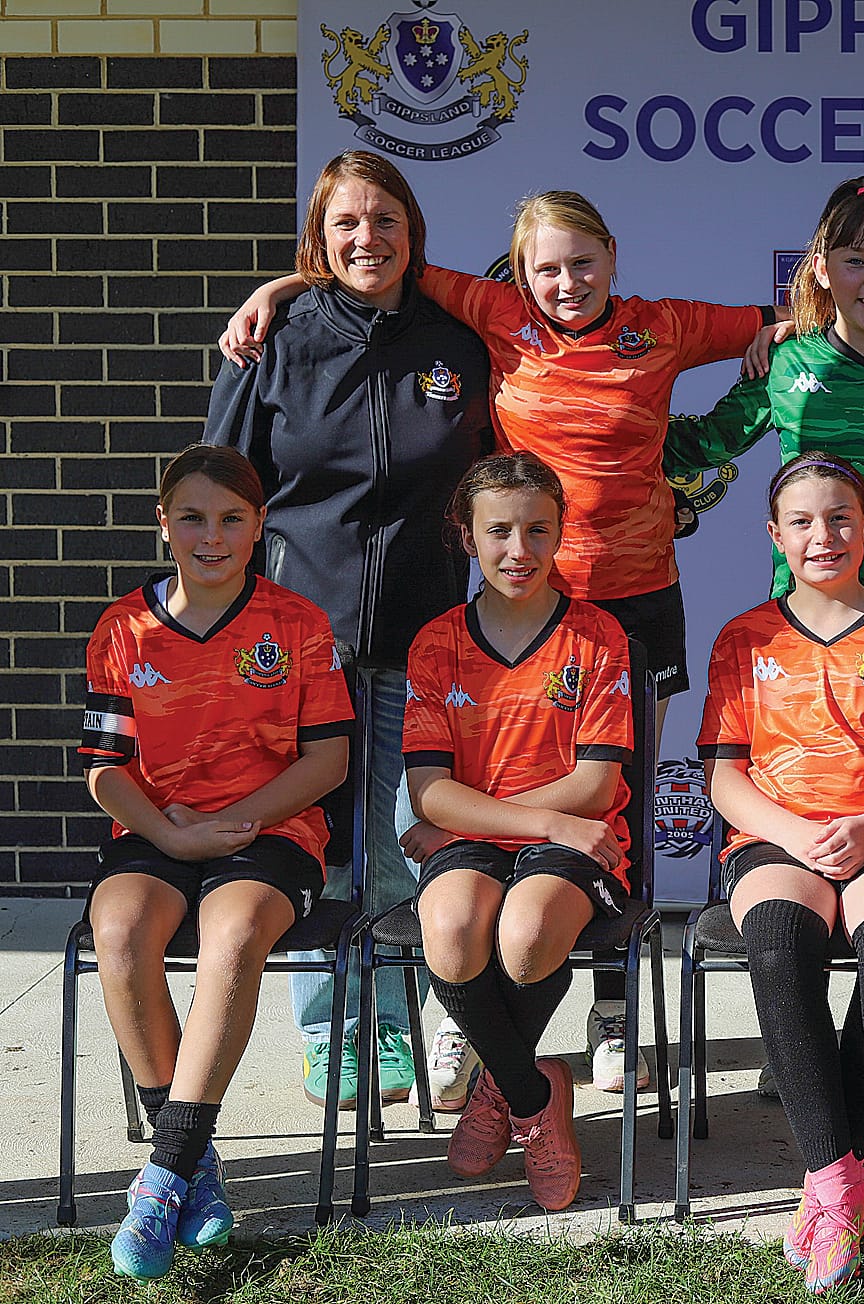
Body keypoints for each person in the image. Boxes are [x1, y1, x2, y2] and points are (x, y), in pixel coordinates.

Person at [222, 188, 784, 1097]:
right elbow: (372, 271)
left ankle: (612, 1015)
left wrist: (771, 339)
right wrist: (282, 289)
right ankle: (454, 1025)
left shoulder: (664, 324)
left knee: (621, 812)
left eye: (583, 262)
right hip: (520, 608)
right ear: (516, 275)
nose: (566, 282)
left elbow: (793, 315)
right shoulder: (493, 316)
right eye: (545, 267)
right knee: (465, 806)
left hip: (634, 601)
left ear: (613, 254)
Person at [205, 149, 491, 1113]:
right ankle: (333, 1031)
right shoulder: (273, 338)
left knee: (405, 840)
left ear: (414, 231)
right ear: (318, 242)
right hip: (294, 648)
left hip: (425, 639)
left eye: (386, 220)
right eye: (345, 225)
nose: (367, 238)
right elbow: (222, 486)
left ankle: (404, 1025)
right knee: (314, 846)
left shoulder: (458, 343)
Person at [699, 454, 864, 1292]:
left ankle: (827, 1188)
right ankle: (842, 1182)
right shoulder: (744, 636)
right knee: (778, 949)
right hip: (778, 835)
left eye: (842, 517)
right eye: (805, 522)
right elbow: (722, 773)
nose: (825, 536)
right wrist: (797, 833)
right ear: (775, 535)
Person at [86, 447, 353, 1278]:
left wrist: (235, 822)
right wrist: (171, 837)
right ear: (162, 522)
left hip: (271, 830)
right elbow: (104, 771)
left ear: (260, 525)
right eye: (193, 517)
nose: (213, 535)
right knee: (122, 930)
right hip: (158, 828)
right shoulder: (121, 629)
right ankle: (194, 1164)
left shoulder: (296, 625)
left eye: (232, 518)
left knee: (232, 931)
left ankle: (163, 1175)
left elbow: (329, 762)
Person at [403, 452, 636, 1213]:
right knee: (452, 930)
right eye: (498, 531)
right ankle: (537, 1097)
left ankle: (496, 1092)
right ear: (466, 538)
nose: (519, 550)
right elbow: (429, 790)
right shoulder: (437, 643)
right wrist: (521, 820)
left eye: (538, 530)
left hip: (575, 839)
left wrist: (493, 821)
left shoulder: (598, 637)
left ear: (562, 532)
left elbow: (596, 786)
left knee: (528, 933)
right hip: (514, 830)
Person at [666, 174, 864, 655]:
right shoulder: (786, 362)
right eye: (856, 261)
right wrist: (611, 428)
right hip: (810, 610)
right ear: (820, 268)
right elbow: (705, 444)